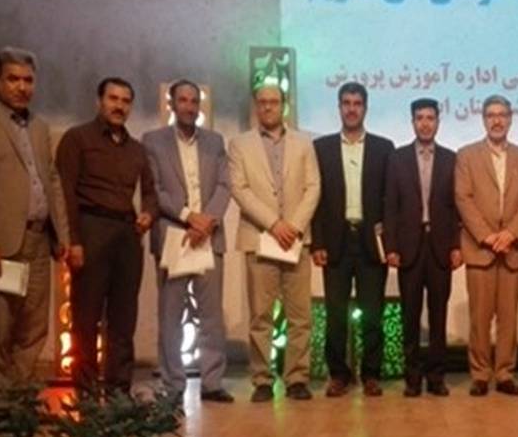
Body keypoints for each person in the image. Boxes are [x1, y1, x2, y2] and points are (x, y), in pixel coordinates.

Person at [0, 47, 70, 390]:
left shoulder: (39, 126)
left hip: (38, 240)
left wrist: (63, 236)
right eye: (13, 79)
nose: (22, 87)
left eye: (28, 80)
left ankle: (17, 398)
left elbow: (51, 180)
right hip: (1, 242)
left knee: (35, 328)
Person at [55, 77, 157, 394]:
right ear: (99, 101)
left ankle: (119, 392)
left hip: (127, 234)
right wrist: (73, 240)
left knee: (124, 318)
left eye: (125, 101)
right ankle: (86, 393)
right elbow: (64, 192)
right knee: (86, 317)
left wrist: (148, 213)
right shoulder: (77, 138)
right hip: (90, 227)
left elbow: (150, 192)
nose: (119, 106)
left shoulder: (137, 149)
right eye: (113, 99)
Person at [142, 79, 233, 406]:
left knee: (212, 316)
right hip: (174, 235)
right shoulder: (153, 141)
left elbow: (224, 185)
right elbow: (154, 189)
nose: (189, 107)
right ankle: (173, 383)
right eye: (183, 100)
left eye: (194, 101)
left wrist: (207, 220)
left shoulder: (214, 141)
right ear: (171, 104)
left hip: (209, 235)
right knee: (171, 314)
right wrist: (188, 217)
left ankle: (212, 382)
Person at [228, 83, 320, 402]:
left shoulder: (304, 142)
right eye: (262, 102)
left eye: (274, 101)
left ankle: (297, 377)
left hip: (296, 240)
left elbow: (313, 187)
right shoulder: (239, 144)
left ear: (284, 105)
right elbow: (239, 189)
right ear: (256, 105)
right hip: (259, 237)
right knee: (260, 315)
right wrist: (274, 224)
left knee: (300, 315)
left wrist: (293, 226)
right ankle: (262, 379)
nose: (268, 107)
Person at [311, 82, 395, 397]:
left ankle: (371, 373)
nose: (351, 109)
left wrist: (391, 244)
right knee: (335, 314)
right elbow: (316, 200)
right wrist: (318, 243)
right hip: (336, 241)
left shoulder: (383, 148)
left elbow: (391, 201)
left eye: (357, 103)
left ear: (365, 108)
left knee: (373, 312)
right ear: (339, 107)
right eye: (346, 103)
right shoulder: (321, 148)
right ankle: (338, 374)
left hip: (371, 242)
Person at [454, 94, 518, 396]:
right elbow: (463, 198)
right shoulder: (466, 155)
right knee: (479, 317)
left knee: (508, 317)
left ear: (511, 119)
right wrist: (488, 236)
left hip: (512, 249)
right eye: (491, 115)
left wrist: (511, 233)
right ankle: (480, 374)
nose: (497, 120)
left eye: (502, 114)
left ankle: (504, 373)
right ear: (483, 120)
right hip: (481, 249)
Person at [383, 98, 461, 397]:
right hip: (409, 247)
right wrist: (391, 246)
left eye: (430, 118)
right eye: (420, 118)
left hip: (440, 247)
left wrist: (456, 246)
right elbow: (391, 205)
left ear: (438, 121)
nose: (425, 123)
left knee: (438, 315)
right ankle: (413, 377)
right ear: (412, 122)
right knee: (410, 315)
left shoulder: (451, 159)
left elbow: (456, 208)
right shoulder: (397, 158)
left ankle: (437, 376)